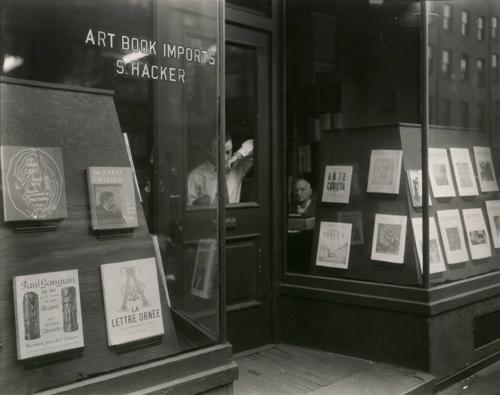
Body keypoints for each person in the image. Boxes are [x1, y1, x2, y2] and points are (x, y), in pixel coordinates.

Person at [187, 135, 253, 205]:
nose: (224, 157)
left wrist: (237, 155)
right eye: (219, 152)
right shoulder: (195, 176)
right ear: (208, 151)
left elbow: (255, 143)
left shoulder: (237, 169)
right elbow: (189, 208)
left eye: (228, 152)